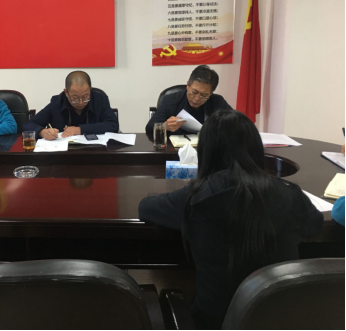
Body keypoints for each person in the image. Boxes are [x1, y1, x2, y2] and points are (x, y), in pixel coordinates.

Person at [138, 110, 323, 330]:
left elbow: (145, 208)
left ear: (207, 150)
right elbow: (314, 225)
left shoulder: (196, 196)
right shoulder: (289, 194)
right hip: (278, 319)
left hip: (215, 322)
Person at [23, 71, 119, 140]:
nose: (81, 102)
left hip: (95, 152)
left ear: (90, 89)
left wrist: (79, 129)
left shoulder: (100, 99)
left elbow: (113, 125)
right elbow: (28, 125)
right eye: (75, 98)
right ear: (66, 92)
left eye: (85, 97)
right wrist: (43, 132)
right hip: (63, 154)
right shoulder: (57, 103)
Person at [146, 65, 232, 136]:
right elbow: (149, 128)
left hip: (206, 148)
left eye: (204, 95)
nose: (197, 98)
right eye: (194, 92)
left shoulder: (217, 101)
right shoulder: (170, 100)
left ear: (211, 93)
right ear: (188, 85)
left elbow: (235, 124)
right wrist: (165, 126)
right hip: (174, 148)